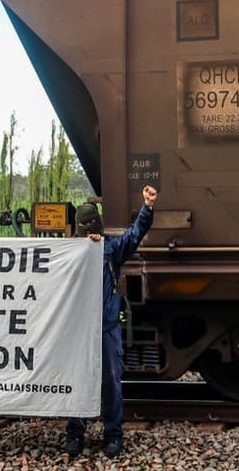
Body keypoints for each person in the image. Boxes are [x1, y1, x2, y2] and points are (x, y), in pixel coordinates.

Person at [66, 184, 158, 458]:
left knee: (111, 382)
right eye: (86, 229)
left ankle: (113, 435)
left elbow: (134, 236)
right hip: (79, 331)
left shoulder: (111, 249)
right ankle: (75, 434)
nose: (90, 233)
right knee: (78, 381)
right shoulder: (67, 254)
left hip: (106, 328)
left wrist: (147, 208)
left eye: (93, 228)